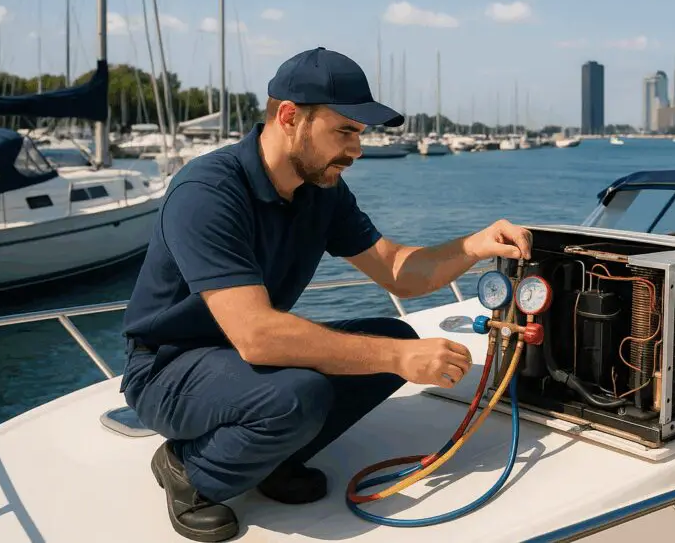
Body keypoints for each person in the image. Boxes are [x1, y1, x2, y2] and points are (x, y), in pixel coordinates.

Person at [119, 47, 532, 542]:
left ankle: (272, 456)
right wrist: (398, 357)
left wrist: (472, 246)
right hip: (167, 369)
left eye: (359, 134)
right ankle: (189, 469)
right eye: (345, 131)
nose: (356, 150)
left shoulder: (322, 191)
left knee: (390, 334)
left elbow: (398, 271)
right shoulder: (207, 191)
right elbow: (257, 336)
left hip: (233, 362)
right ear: (290, 116)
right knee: (308, 391)